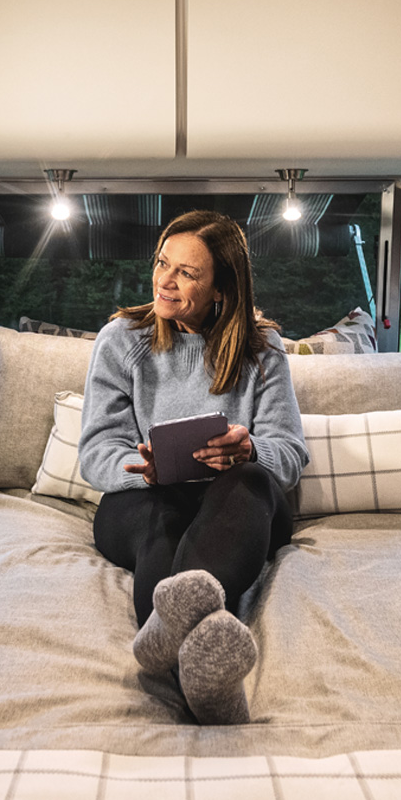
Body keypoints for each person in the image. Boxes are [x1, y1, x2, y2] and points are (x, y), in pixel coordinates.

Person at [78, 210, 308, 724]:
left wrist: (249, 451)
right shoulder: (121, 340)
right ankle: (200, 674)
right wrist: (143, 467)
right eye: (163, 263)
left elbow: (290, 453)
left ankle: (161, 643)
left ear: (222, 288)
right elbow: (96, 450)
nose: (165, 280)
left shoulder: (262, 348)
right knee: (163, 519)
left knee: (248, 479)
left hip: (236, 503)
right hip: (147, 497)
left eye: (186, 273)